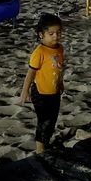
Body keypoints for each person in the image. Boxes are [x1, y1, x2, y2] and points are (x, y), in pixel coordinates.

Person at [18, 13, 65, 154]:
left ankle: (46, 142)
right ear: (41, 35)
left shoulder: (60, 48)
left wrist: (61, 83)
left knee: (52, 120)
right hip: (40, 93)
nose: (56, 36)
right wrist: (25, 91)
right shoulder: (39, 52)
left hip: (54, 92)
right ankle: (40, 149)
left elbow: (59, 69)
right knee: (44, 121)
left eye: (58, 32)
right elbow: (30, 73)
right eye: (51, 34)